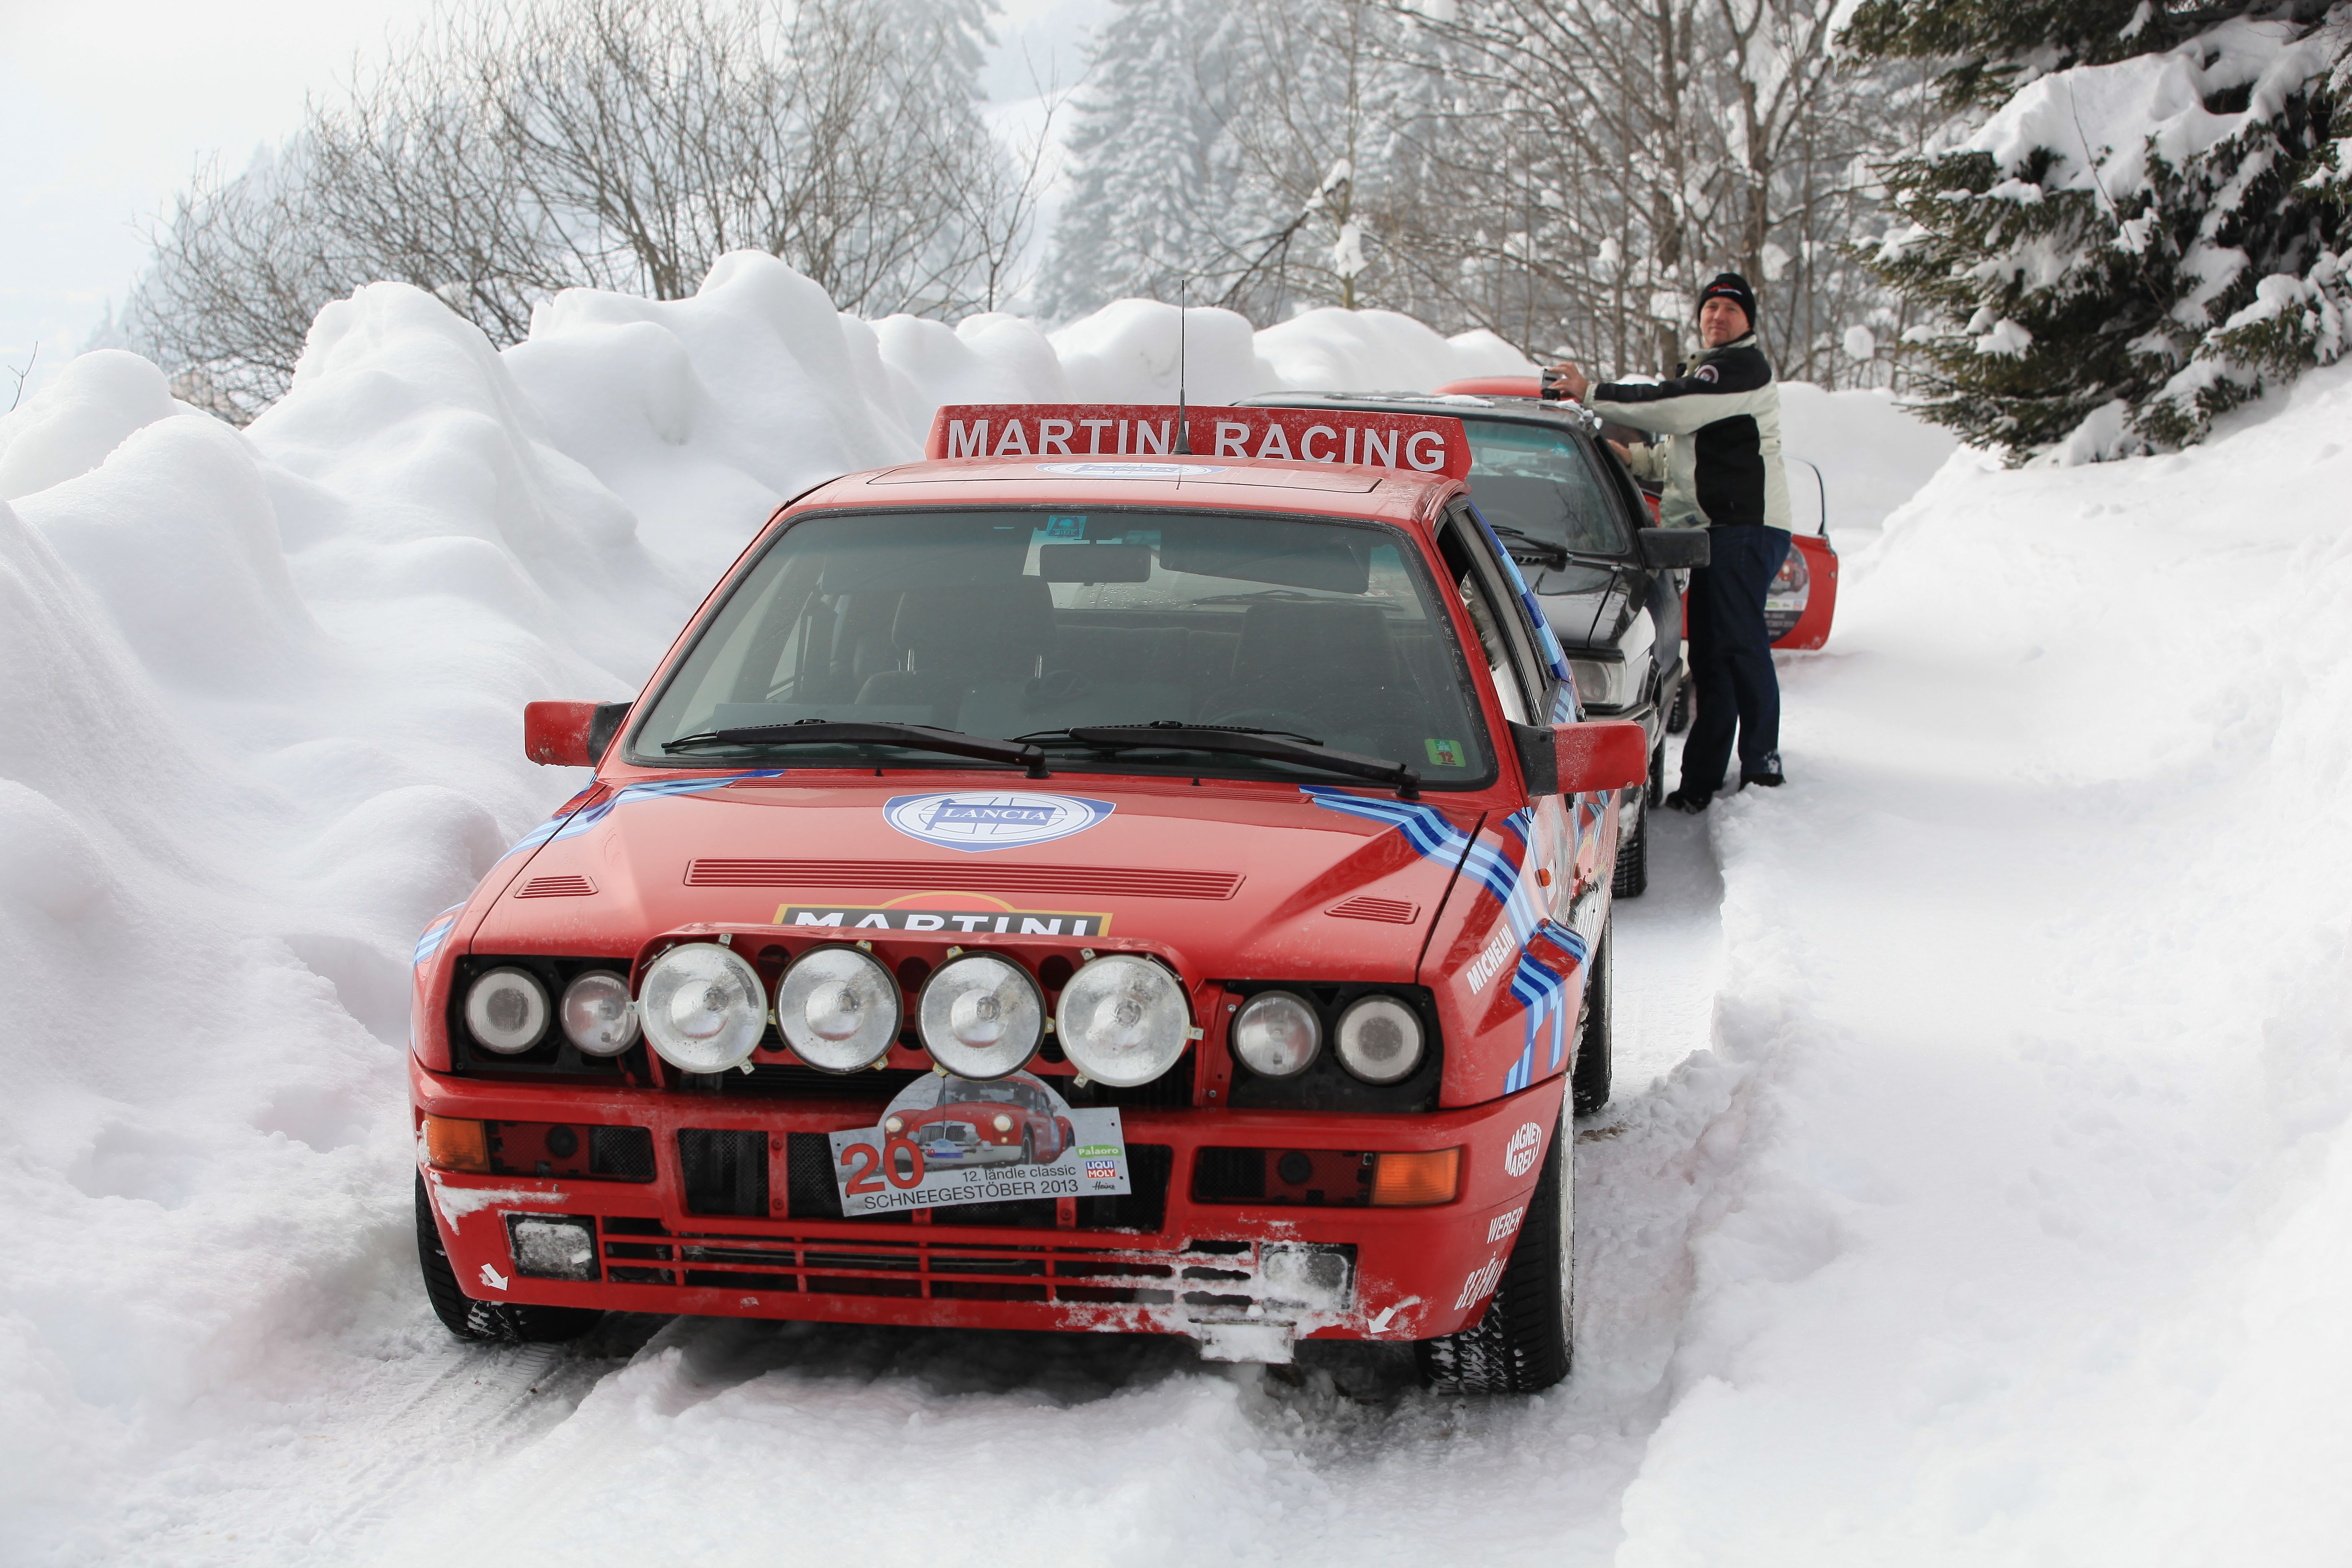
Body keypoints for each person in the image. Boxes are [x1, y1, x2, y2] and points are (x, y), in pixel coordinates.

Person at [1550, 271, 1793, 812]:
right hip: (1715, 532)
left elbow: (1676, 407)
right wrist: (1632, 460)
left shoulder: (1740, 367)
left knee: (1739, 647)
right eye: (1711, 308)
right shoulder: (1713, 378)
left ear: (1749, 321)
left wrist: (1593, 394)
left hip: (1745, 528)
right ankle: (1702, 781)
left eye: (1731, 310)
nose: (1718, 317)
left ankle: (1762, 765)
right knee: (1712, 657)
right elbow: (1681, 458)